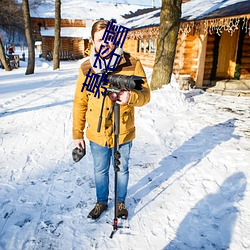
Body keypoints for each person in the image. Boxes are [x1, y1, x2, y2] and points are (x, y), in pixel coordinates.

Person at [72, 20, 150, 220]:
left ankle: (121, 202)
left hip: (123, 130)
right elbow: (80, 102)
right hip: (97, 133)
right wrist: (77, 134)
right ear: (93, 41)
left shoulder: (132, 64)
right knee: (100, 170)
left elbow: (145, 95)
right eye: (100, 40)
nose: (104, 44)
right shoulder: (86, 68)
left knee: (121, 168)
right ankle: (101, 202)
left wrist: (130, 97)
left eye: (109, 39)